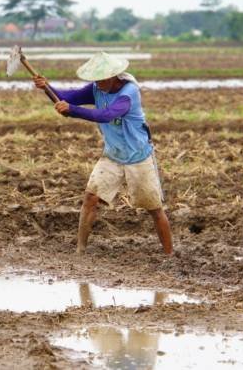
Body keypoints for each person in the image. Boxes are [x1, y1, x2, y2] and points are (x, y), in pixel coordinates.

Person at [33, 51, 173, 255]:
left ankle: (169, 254)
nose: (97, 83)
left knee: (153, 208)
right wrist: (46, 87)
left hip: (138, 156)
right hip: (113, 155)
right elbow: (66, 97)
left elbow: (107, 115)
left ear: (113, 75)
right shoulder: (97, 88)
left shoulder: (129, 92)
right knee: (91, 197)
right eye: (95, 79)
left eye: (101, 79)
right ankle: (80, 250)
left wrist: (73, 111)